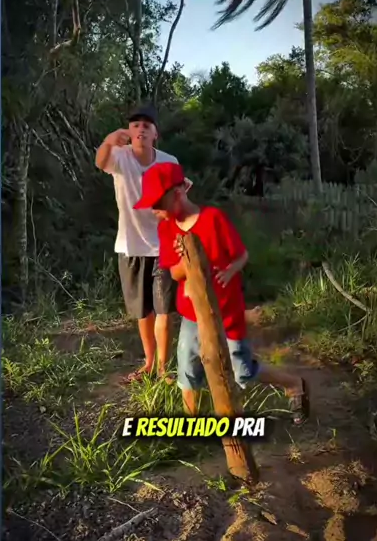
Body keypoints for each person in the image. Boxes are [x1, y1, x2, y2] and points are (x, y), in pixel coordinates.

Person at [133, 160, 310, 424]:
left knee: (242, 371)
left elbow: (241, 255)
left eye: (158, 203)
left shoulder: (213, 219)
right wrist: (188, 259)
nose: (154, 210)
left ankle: (294, 384)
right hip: (193, 314)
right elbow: (175, 273)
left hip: (227, 310)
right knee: (187, 370)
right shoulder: (166, 228)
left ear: (178, 193)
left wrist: (229, 271)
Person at [95, 103, 190, 384]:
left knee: (163, 310)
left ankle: (163, 369)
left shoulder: (169, 161)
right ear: (129, 131)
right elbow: (100, 162)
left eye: (147, 125)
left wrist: (181, 212)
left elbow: (182, 194)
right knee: (142, 311)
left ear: (155, 134)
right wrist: (109, 140)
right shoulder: (119, 156)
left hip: (164, 245)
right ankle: (148, 363)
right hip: (130, 245)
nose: (141, 129)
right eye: (135, 125)